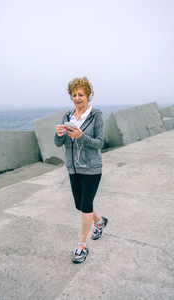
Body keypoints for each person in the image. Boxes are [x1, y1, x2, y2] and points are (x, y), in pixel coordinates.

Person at [54, 77, 108, 264]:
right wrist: (59, 134)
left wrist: (81, 136)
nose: (77, 98)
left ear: (88, 96)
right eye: (74, 95)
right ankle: (100, 221)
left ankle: (82, 246)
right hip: (73, 168)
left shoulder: (96, 116)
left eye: (81, 94)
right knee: (80, 205)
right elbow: (58, 143)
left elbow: (100, 143)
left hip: (92, 168)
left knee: (86, 205)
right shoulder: (67, 116)